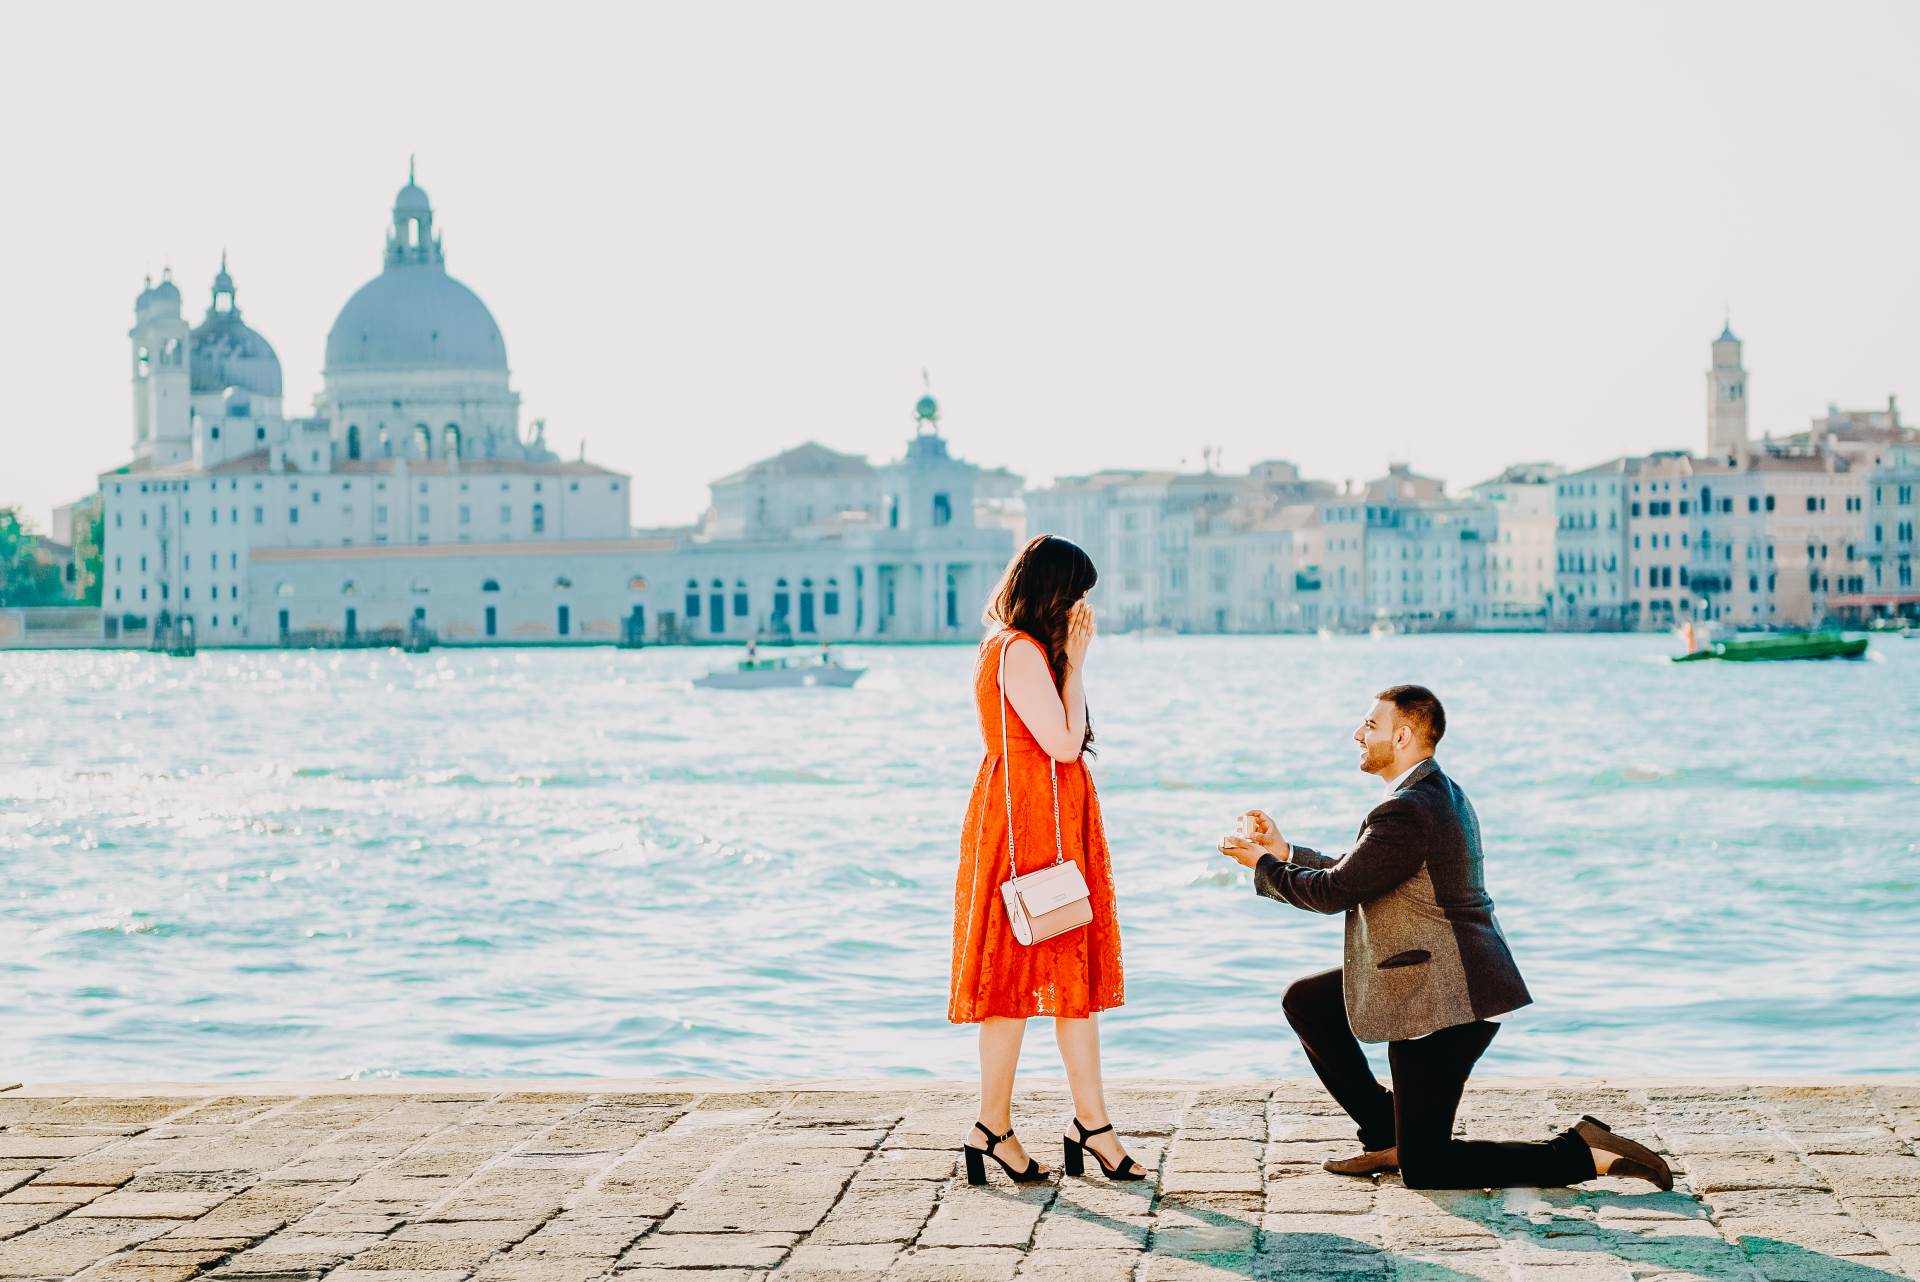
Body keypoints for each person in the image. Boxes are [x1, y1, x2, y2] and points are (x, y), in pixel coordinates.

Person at [1216, 685, 1672, 1191]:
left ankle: (1582, 1152)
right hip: (1444, 974)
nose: (1357, 734)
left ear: (1404, 735)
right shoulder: (1429, 794)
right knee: (1309, 1001)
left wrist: (1263, 864)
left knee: (1429, 1168)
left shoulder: (1408, 809)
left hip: (1447, 997)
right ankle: (1388, 1133)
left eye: (1370, 725)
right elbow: (1362, 873)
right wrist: (1286, 852)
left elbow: (1334, 893)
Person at [950, 534, 1139, 1186]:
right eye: (1077, 596)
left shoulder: (1015, 647)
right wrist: (1079, 665)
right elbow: (1062, 743)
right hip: (1031, 831)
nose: (1082, 610)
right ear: (1054, 593)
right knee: (1015, 981)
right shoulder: (1020, 650)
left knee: (1068, 985)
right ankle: (995, 1125)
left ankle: (1084, 1124)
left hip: (1041, 823)